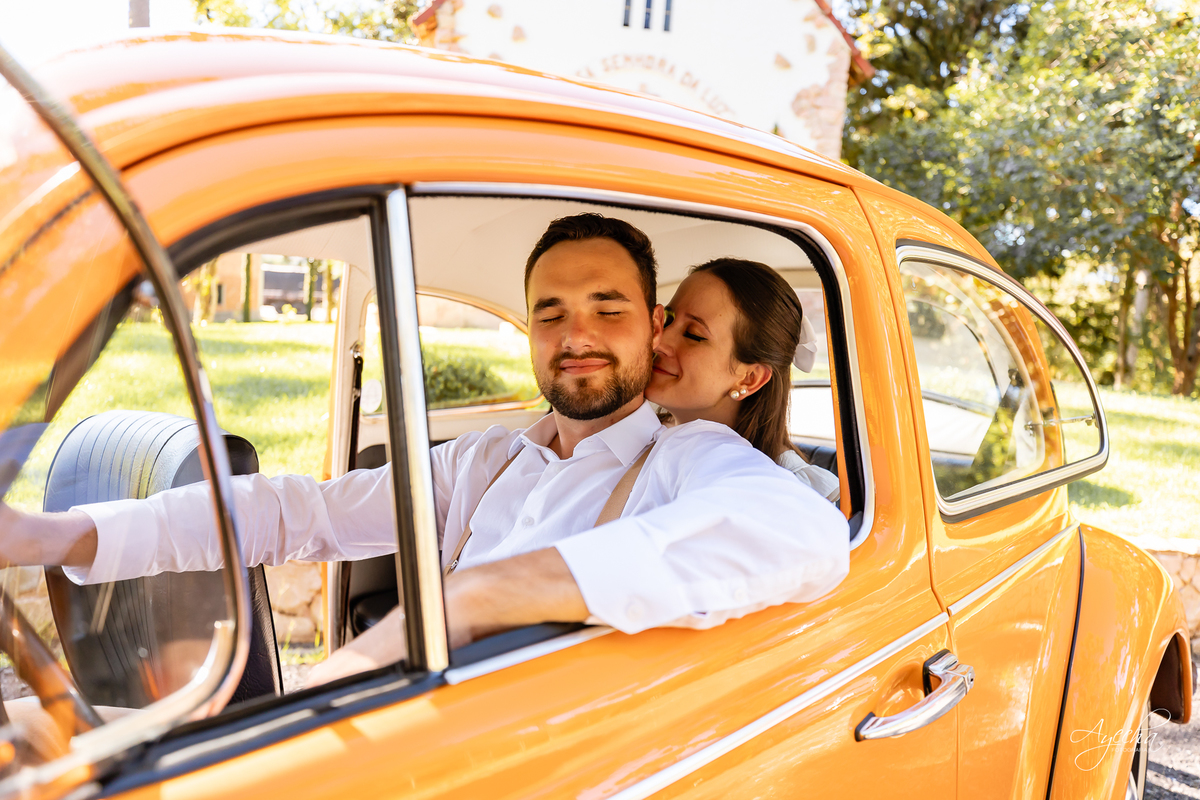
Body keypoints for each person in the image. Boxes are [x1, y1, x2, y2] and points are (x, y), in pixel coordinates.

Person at [0, 213, 849, 687]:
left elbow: (804, 534)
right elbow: (293, 513)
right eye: (551, 313)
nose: (576, 336)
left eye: (607, 308)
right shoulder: (485, 462)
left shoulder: (688, 458)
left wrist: (471, 598)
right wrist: (46, 535)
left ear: (653, 325)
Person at [646, 257, 840, 502]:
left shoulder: (784, 494)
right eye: (667, 320)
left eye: (693, 335)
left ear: (749, 379)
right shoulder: (638, 437)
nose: (659, 341)